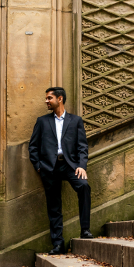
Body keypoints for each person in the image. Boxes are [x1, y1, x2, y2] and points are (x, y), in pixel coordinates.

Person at [28, 87, 93, 255]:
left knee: (84, 186)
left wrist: (81, 166)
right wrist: (39, 167)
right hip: (49, 167)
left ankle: (85, 230)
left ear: (60, 99)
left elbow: (82, 147)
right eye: (46, 98)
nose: (46, 101)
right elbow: (33, 146)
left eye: (49, 98)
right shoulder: (42, 121)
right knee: (54, 206)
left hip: (70, 166)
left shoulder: (75, 120)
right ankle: (58, 244)